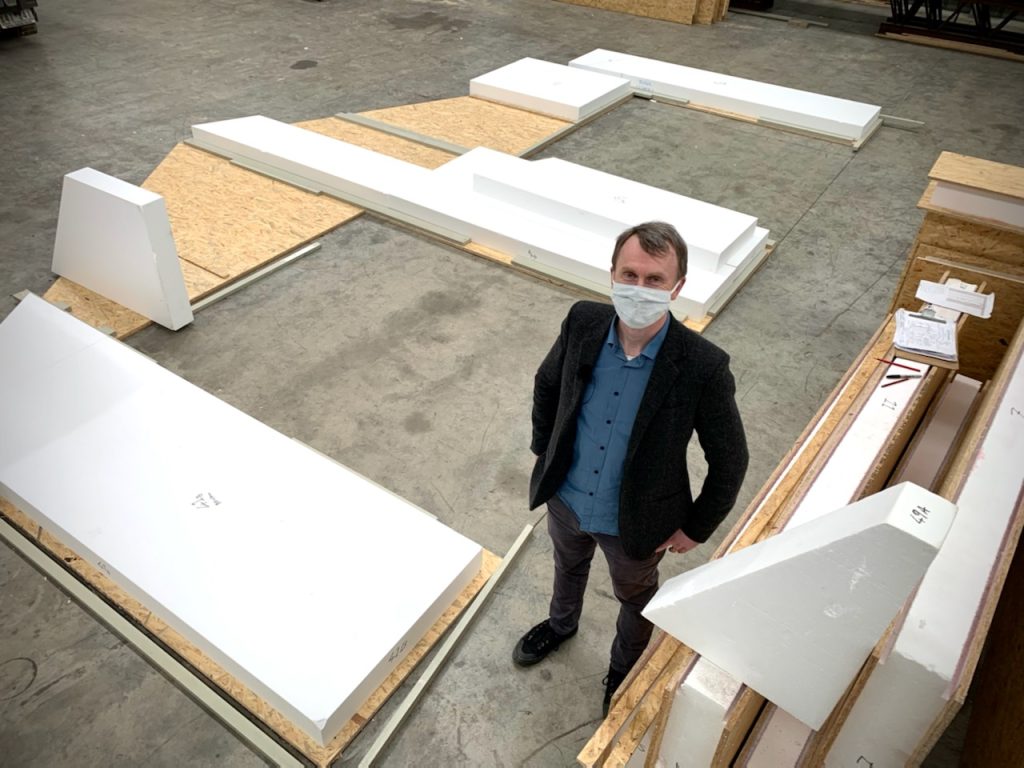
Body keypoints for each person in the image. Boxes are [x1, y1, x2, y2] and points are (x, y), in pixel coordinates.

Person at [513, 221, 749, 716]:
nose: (639, 288)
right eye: (630, 274)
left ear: (678, 287)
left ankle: (623, 667)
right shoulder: (583, 322)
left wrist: (696, 527)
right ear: (613, 274)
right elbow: (547, 383)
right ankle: (560, 625)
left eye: (655, 279)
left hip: (637, 522)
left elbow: (730, 458)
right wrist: (545, 450)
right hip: (568, 499)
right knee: (567, 565)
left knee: (636, 599)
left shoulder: (702, 365)